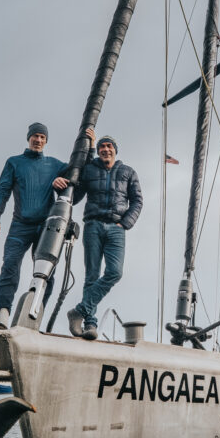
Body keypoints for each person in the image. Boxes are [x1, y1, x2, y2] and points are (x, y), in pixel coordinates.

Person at [65, 135, 142, 340]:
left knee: (115, 272)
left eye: (109, 146)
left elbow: (137, 201)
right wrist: (87, 151)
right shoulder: (90, 169)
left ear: (115, 150)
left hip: (116, 227)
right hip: (93, 225)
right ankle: (90, 324)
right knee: (91, 275)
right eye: (102, 147)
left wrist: (125, 223)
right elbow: (77, 196)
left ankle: (79, 312)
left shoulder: (128, 172)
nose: (105, 150)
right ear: (98, 150)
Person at [0, 122, 66, 326]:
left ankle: (35, 315)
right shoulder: (14, 162)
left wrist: (61, 182)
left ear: (46, 140)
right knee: (10, 266)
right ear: (29, 138)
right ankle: (3, 313)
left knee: (46, 272)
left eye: (42, 137)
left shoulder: (55, 165)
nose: (38, 140)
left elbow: (79, 176)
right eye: (35, 136)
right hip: (20, 225)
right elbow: (3, 191)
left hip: (45, 227)